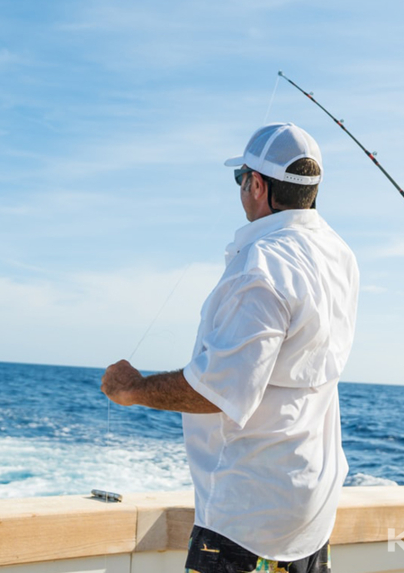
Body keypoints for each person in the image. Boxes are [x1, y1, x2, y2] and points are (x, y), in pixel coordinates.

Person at [102, 122, 359, 573]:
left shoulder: (262, 267)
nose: (241, 188)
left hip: (246, 522)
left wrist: (133, 389)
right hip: (311, 513)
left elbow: (219, 391)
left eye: (240, 179)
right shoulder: (340, 256)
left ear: (257, 185)